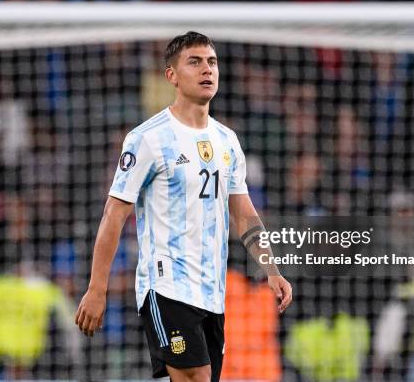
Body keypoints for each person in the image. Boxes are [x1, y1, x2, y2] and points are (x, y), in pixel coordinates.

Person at [75, 31, 292, 382]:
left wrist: (272, 269)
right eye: (194, 62)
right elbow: (114, 214)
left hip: (212, 292)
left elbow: (243, 211)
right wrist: (97, 288)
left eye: (212, 62)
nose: (207, 69)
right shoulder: (148, 138)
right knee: (196, 376)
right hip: (166, 285)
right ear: (171, 75)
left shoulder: (227, 141)